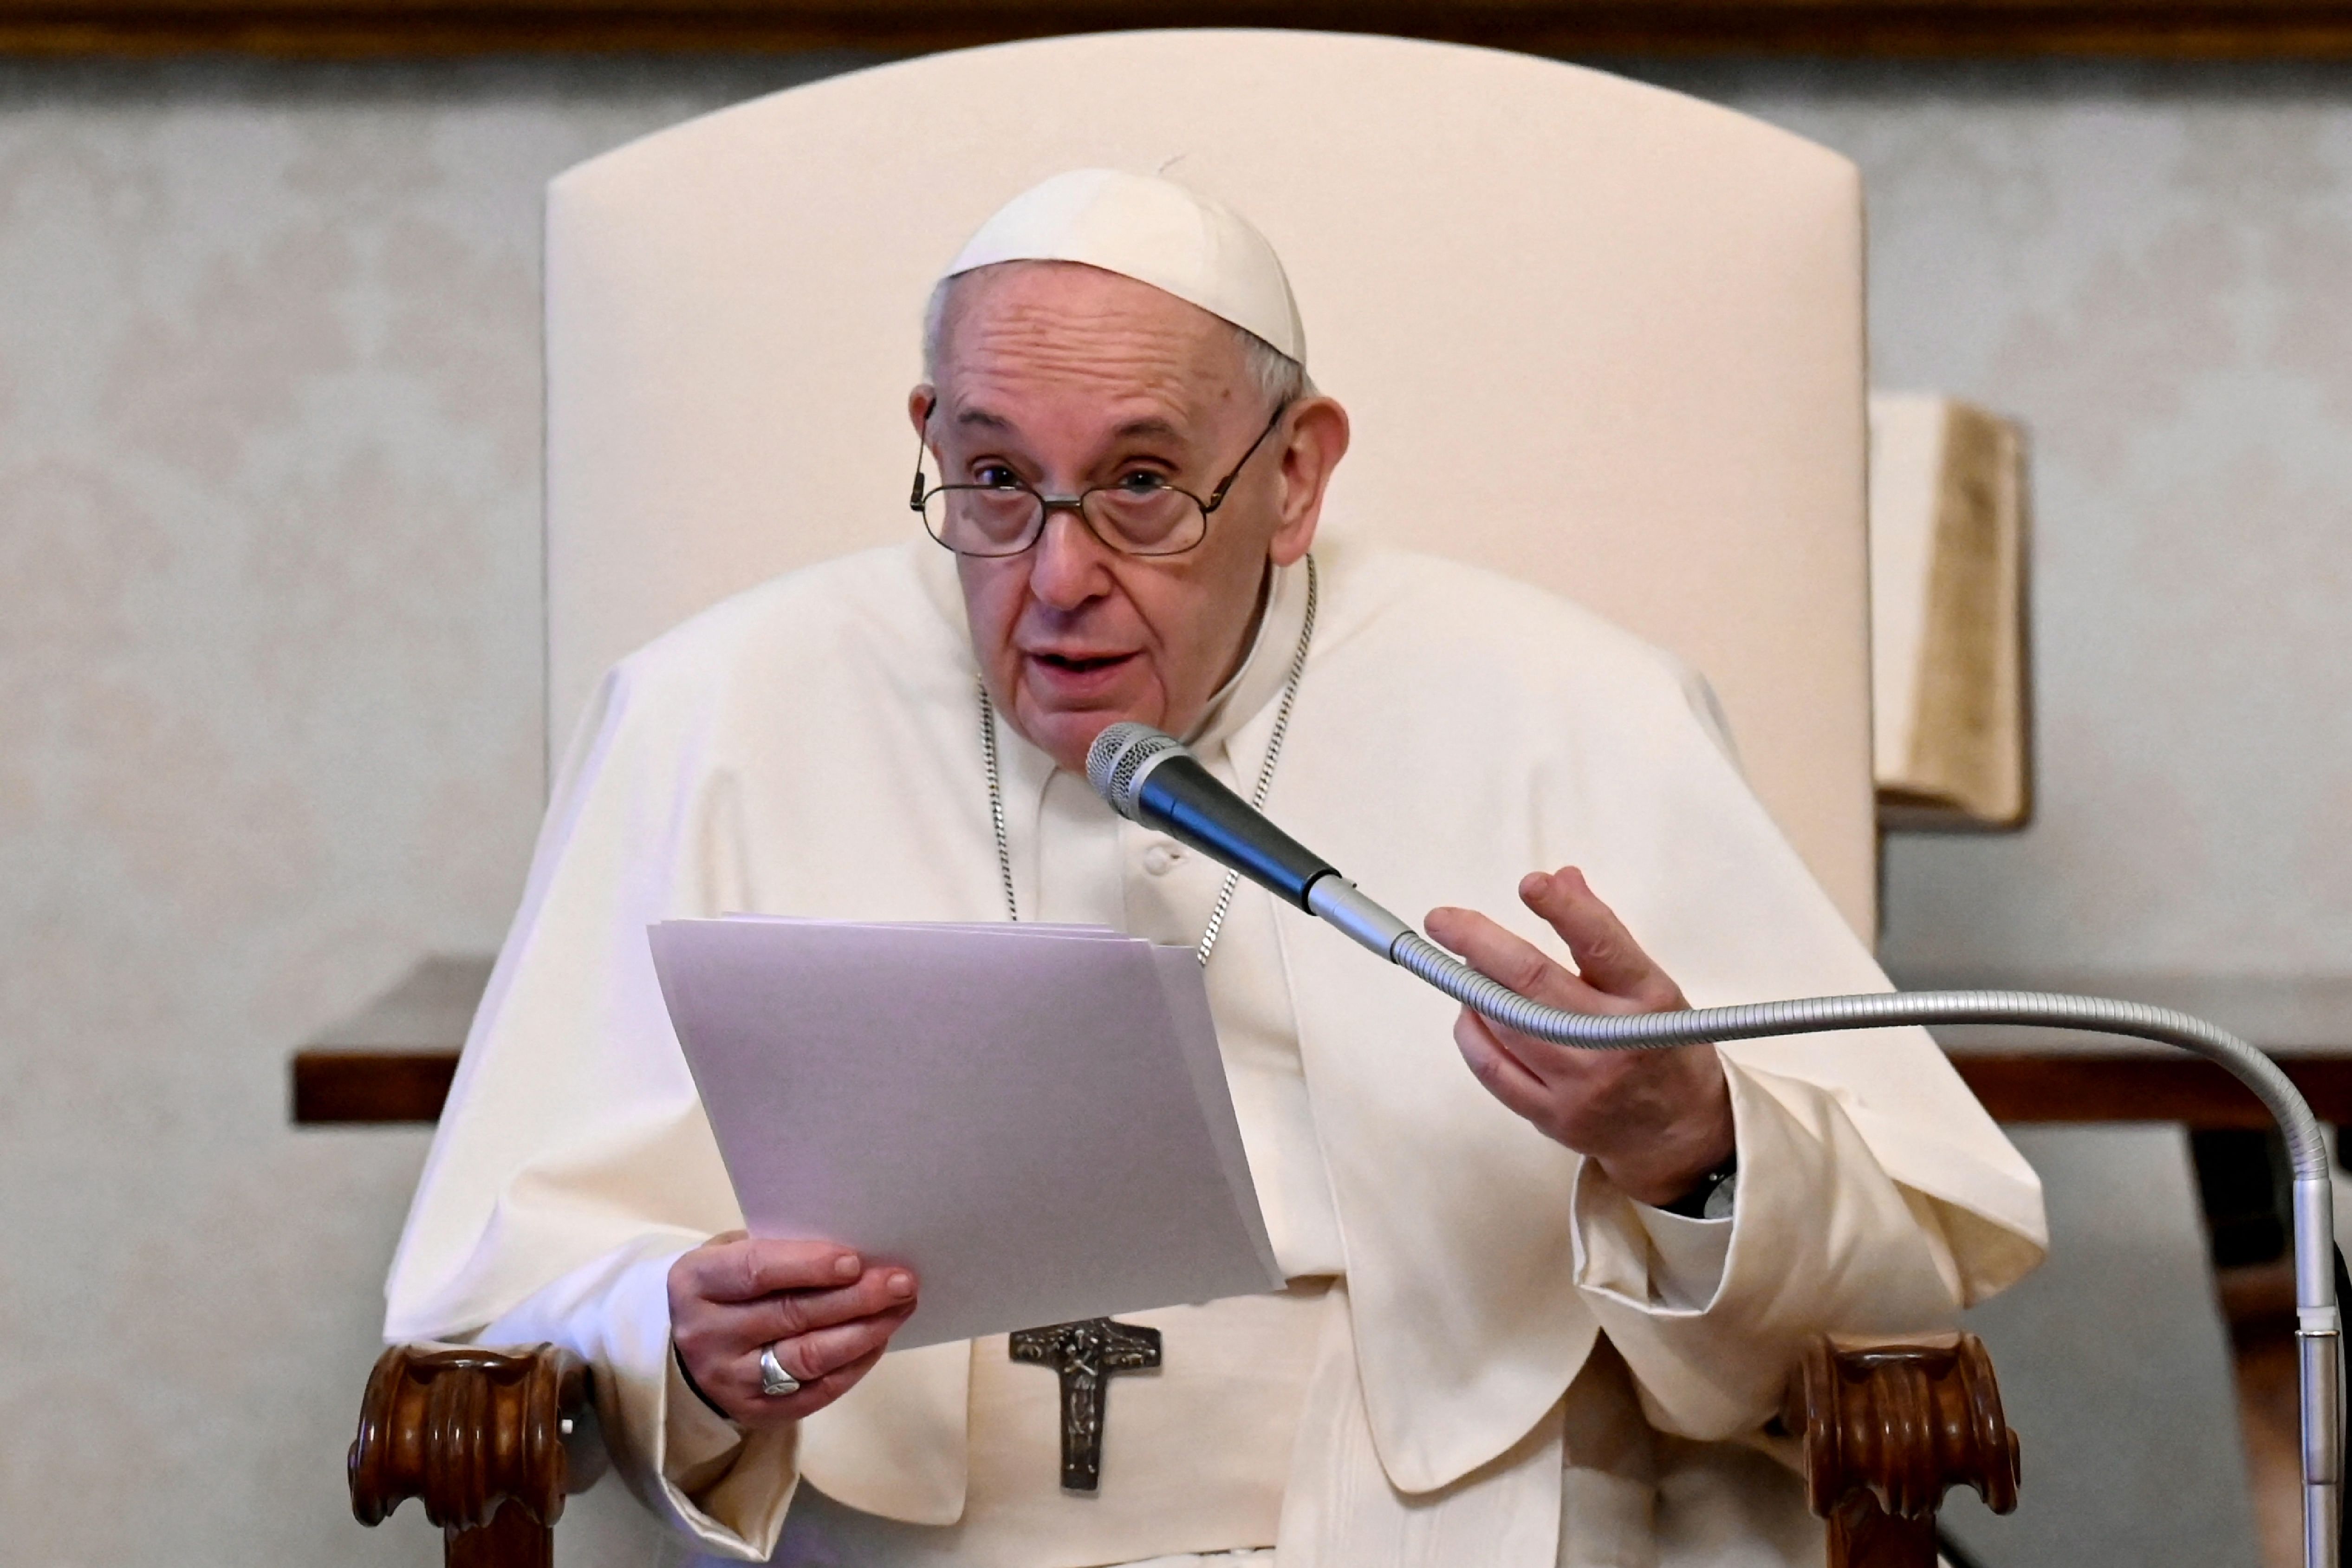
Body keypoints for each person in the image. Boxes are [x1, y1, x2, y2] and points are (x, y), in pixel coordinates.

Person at [387, 169, 2046, 1568]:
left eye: (1139, 485)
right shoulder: (714, 710)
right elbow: (493, 1287)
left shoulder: (1573, 702)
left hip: (1461, 1527)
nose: (1056, 579)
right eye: (989, 480)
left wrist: (1694, 1146)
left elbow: (1899, 1265)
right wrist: (675, 1332)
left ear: (1298, 472)